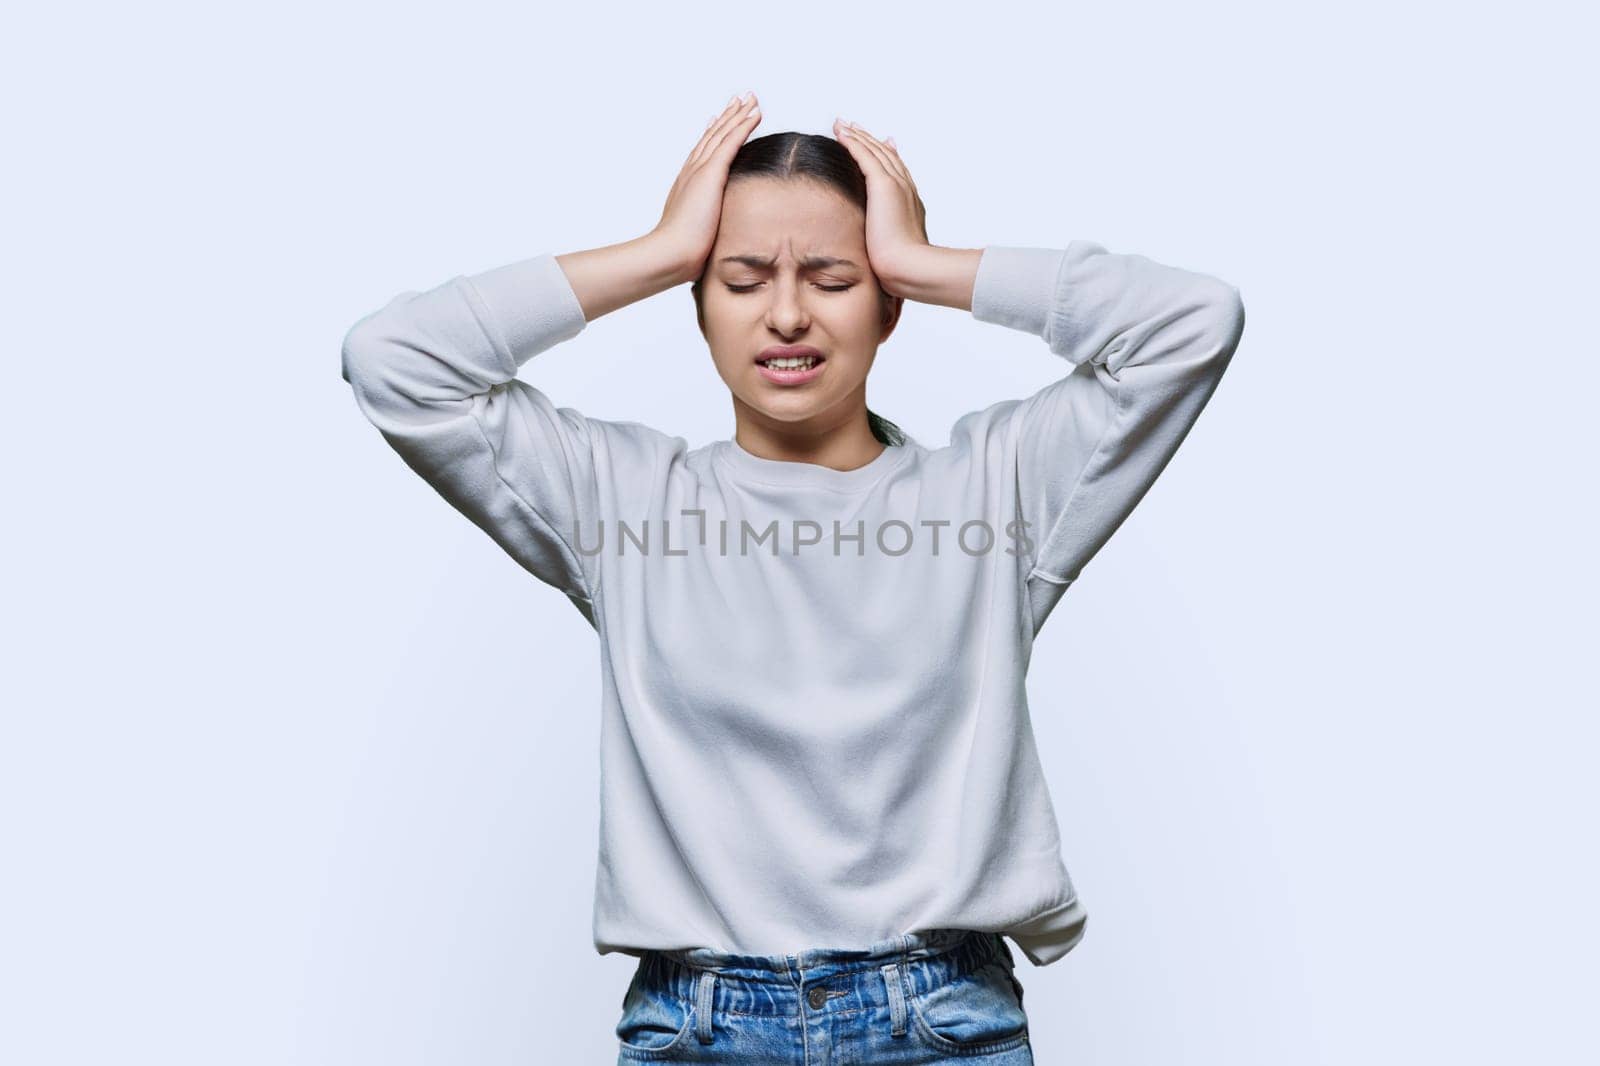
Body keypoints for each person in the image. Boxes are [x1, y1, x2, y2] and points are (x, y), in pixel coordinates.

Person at [340, 91, 1246, 1064]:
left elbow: (1193, 322)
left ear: (887, 304)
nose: (785, 313)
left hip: (939, 1019)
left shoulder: (999, 489)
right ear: (695, 301)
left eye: (832, 276)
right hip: (697, 1024)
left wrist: (928, 264)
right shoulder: (620, 498)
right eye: (738, 279)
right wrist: (655, 251)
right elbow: (393, 361)